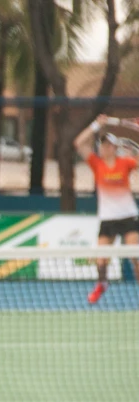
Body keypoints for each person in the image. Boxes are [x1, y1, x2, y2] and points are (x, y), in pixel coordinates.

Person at [74, 114, 139, 304]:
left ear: (114, 148)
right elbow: (79, 143)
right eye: (102, 144)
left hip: (128, 217)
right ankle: (102, 284)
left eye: (107, 145)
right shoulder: (97, 164)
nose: (103, 147)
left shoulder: (125, 163)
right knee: (101, 260)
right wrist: (96, 124)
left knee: (135, 258)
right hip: (108, 219)